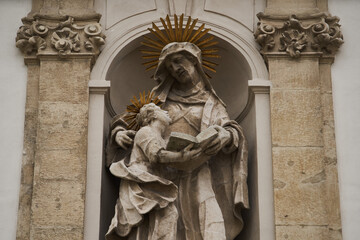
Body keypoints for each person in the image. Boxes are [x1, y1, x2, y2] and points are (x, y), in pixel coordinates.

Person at [107, 42, 249, 240]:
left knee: (207, 216)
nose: (174, 69)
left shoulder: (212, 103)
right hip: (162, 171)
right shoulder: (159, 99)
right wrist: (119, 133)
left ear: (193, 60)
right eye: (169, 67)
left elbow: (230, 128)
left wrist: (226, 136)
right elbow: (130, 118)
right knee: (166, 222)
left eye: (177, 61)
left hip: (198, 168)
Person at [106, 103, 202, 240]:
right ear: (153, 115)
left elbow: (164, 165)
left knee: (162, 217)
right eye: (161, 110)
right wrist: (183, 157)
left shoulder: (161, 139)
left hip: (152, 182)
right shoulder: (146, 131)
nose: (167, 112)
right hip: (141, 181)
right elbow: (156, 155)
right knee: (167, 214)